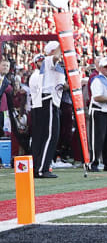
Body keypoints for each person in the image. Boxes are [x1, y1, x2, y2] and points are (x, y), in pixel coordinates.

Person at [30, 41, 66, 178]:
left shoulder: (52, 67)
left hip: (48, 101)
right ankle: (42, 168)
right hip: (48, 101)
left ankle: (40, 166)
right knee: (50, 136)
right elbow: (56, 56)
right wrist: (64, 42)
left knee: (44, 136)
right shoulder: (49, 60)